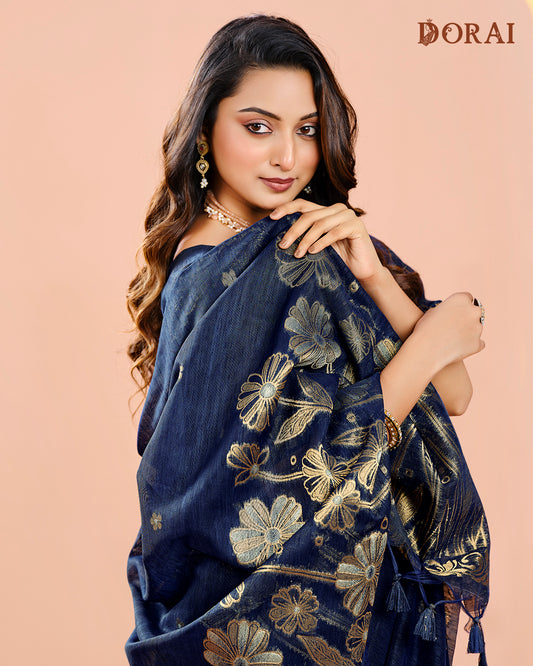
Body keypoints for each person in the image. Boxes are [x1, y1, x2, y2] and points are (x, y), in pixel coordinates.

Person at [125, 14, 489, 666]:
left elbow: (451, 397)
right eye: (257, 127)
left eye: (308, 130)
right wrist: (432, 342)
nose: (286, 158)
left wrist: (374, 277)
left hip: (349, 597)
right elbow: (288, 481)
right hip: (303, 616)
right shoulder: (247, 266)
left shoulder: (309, 241)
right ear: (205, 129)